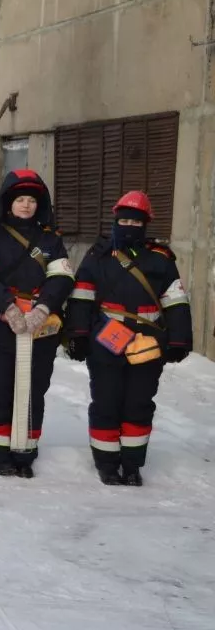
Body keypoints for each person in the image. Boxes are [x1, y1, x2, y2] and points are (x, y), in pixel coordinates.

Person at [66, 191, 191, 486]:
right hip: (106, 341)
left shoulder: (162, 259)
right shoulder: (97, 256)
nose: (128, 225)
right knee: (106, 402)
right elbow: (81, 297)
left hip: (147, 344)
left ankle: (133, 465)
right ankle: (107, 464)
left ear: (145, 224)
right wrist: (79, 335)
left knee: (139, 404)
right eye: (123, 220)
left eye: (135, 221)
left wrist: (179, 340)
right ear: (114, 220)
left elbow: (175, 301)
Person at [0, 169, 74, 478]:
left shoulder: (51, 239)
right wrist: (8, 307)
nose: (26, 205)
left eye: (31, 200)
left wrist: (43, 308)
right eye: (20, 200)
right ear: (8, 203)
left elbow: (62, 276)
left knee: (33, 389)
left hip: (39, 326)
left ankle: (25, 451)